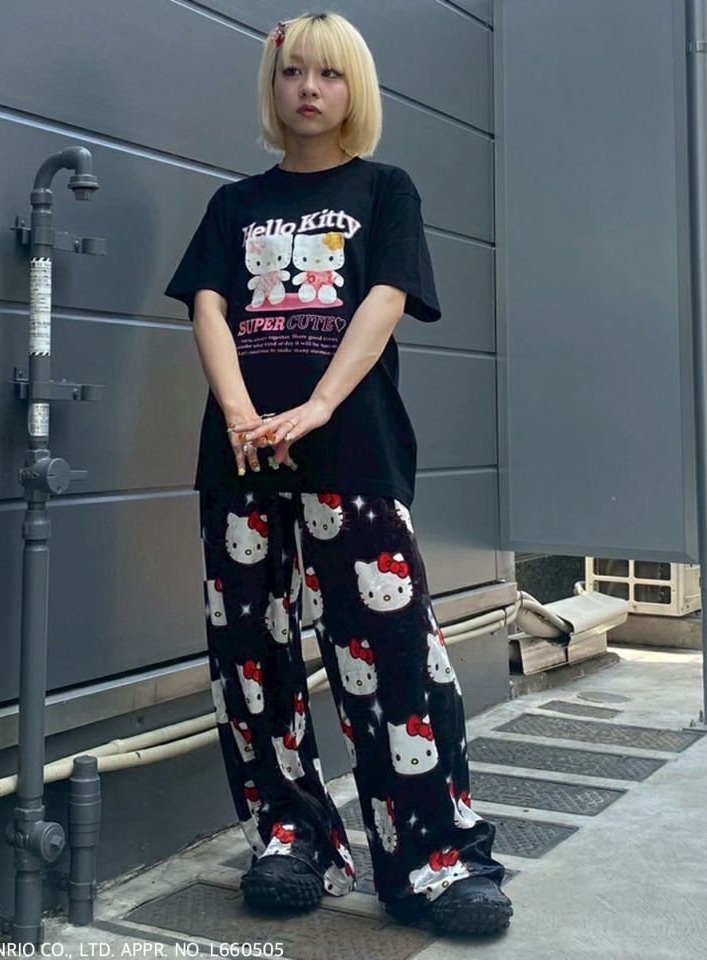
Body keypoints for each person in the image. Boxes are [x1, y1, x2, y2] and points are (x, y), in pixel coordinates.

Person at [164, 10, 513, 938]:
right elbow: (208, 305)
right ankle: (292, 839)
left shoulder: (385, 189)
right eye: (292, 73)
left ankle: (436, 858)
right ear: (273, 87)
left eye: (328, 74)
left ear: (355, 87)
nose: (308, 89)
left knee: (392, 653)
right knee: (252, 657)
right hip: (243, 460)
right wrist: (241, 414)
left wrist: (319, 405)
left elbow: (385, 299)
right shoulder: (234, 204)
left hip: (353, 450)